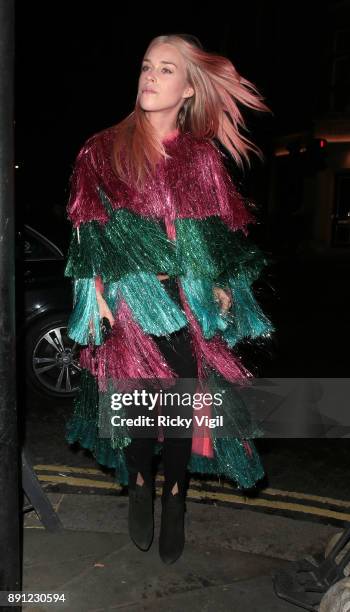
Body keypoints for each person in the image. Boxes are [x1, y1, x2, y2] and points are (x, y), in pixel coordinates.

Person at [64, 33, 274, 565]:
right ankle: (139, 480)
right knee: (137, 402)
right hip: (130, 297)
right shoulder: (102, 150)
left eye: (165, 70)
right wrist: (95, 300)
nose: (151, 78)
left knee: (182, 403)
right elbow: (88, 233)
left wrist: (225, 287)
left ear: (187, 89)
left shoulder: (201, 158)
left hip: (186, 295)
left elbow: (222, 234)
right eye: (146, 67)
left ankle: (174, 495)